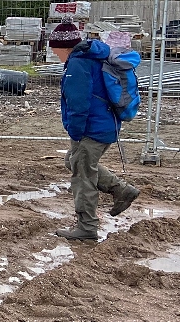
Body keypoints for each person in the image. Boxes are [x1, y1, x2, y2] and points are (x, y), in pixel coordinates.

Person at [49, 17, 140, 241]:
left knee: (82, 174)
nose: (53, 54)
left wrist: (76, 133)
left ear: (64, 47)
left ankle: (87, 227)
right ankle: (121, 190)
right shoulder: (91, 57)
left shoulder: (78, 64)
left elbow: (78, 103)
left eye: (55, 49)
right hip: (104, 125)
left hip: (92, 129)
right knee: (74, 160)